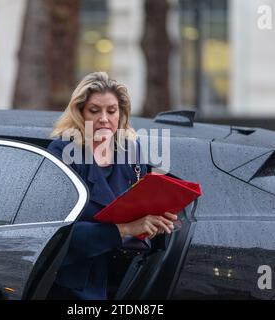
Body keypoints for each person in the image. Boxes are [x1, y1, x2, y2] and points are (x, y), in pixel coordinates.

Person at [47, 71, 177, 300]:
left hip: (129, 275)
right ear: (80, 113)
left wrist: (159, 219)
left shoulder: (131, 150)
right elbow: (54, 232)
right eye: (94, 111)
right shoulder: (63, 152)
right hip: (74, 282)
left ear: (121, 113)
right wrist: (126, 229)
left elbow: (140, 207)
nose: (104, 119)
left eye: (111, 111)